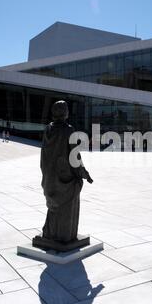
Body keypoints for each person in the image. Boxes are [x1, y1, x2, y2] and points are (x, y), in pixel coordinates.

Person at [36, 101, 93, 248]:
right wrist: (84, 173)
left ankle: (50, 233)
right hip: (66, 179)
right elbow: (75, 157)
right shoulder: (68, 130)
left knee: (54, 207)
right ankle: (64, 236)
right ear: (64, 112)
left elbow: (44, 155)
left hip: (51, 176)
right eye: (67, 109)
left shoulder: (48, 129)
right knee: (66, 207)